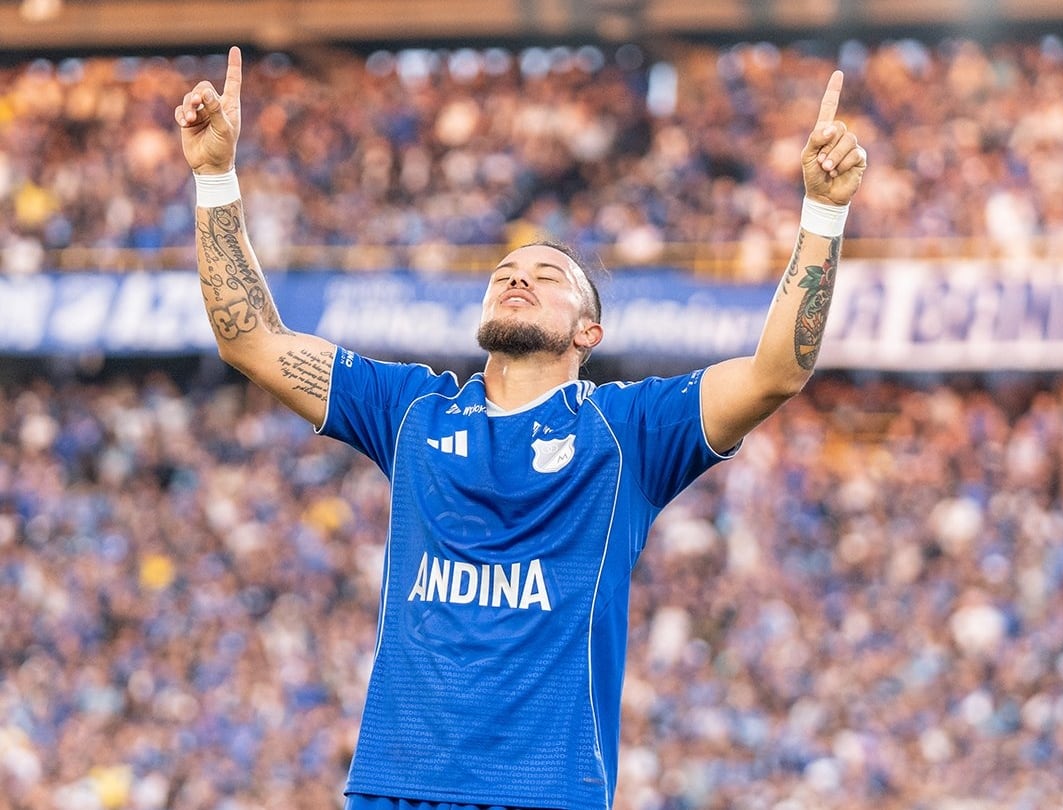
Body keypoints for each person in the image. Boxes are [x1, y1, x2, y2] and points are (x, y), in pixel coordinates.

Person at [175, 46, 865, 810]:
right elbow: (250, 340)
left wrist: (823, 213)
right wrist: (215, 176)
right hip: (396, 788)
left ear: (587, 333)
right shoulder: (411, 411)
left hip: (545, 792)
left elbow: (777, 373)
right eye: (505, 271)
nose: (517, 277)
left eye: (547, 275)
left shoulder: (628, 432)